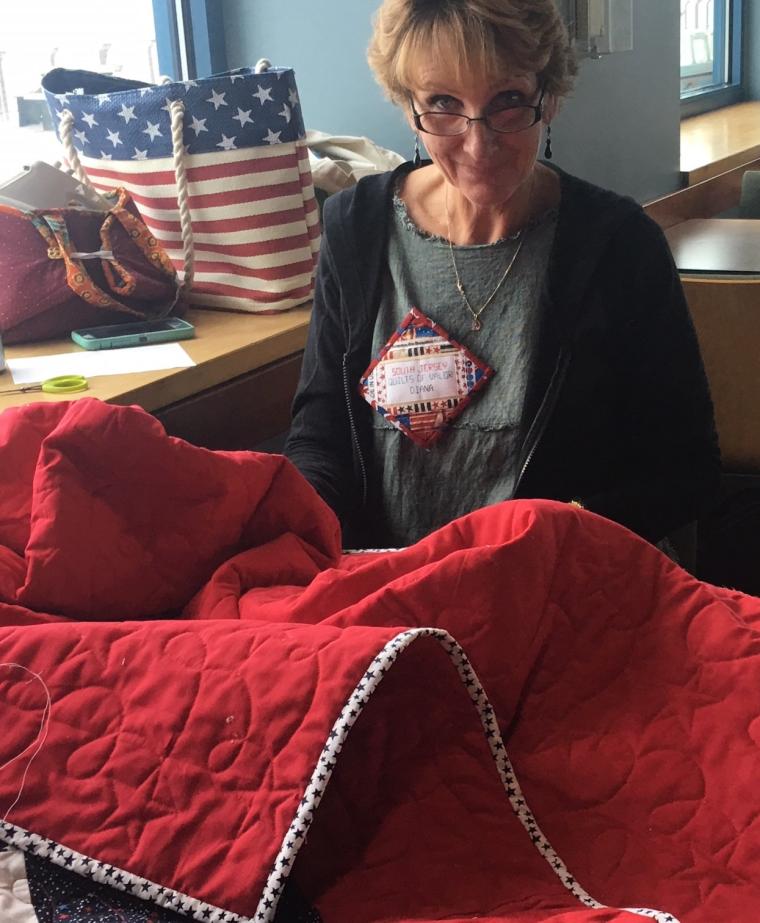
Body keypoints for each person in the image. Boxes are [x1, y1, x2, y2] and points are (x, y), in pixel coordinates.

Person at [285, 0, 720, 550]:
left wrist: (551, 534)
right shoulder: (356, 230)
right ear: (408, 105)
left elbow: (686, 470)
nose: (478, 143)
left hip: (550, 593)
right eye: (443, 103)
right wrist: (302, 521)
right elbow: (320, 432)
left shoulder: (618, 245)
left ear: (550, 95)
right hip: (385, 596)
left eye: (508, 101)